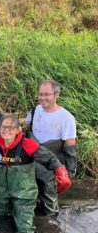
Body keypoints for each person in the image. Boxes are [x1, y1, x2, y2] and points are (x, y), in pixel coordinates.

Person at [0, 115, 71, 233]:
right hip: (1, 193)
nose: (7, 130)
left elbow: (50, 159)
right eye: (4, 127)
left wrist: (60, 171)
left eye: (11, 127)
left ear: (18, 130)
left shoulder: (28, 145)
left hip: (24, 195)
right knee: (0, 222)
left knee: (24, 231)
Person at [26, 80, 77, 215]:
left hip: (51, 160)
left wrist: (69, 173)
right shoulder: (35, 110)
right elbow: (25, 129)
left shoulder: (66, 118)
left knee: (48, 188)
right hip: (34, 156)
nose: (42, 98)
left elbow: (70, 145)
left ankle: (51, 217)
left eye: (47, 94)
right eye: (40, 94)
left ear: (56, 95)